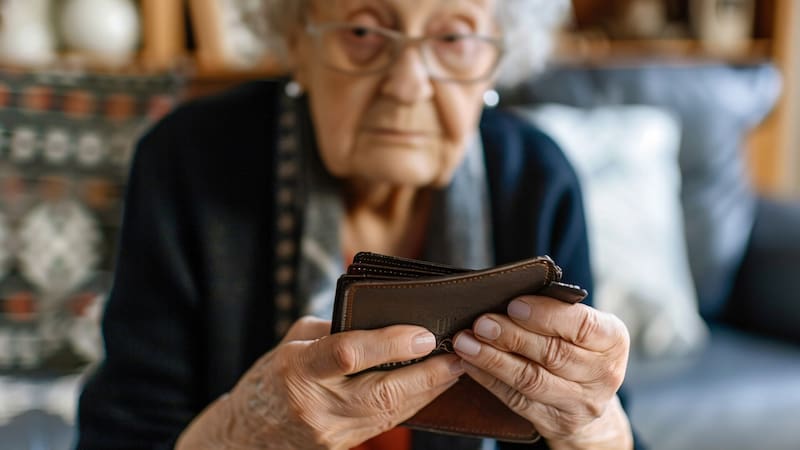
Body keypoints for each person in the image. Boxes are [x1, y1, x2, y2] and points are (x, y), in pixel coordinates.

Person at [77, 0, 636, 449]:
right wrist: (242, 434)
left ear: (494, 59)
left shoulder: (537, 179)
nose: (408, 83)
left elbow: (603, 425)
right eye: (365, 32)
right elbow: (123, 431)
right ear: (298, 40)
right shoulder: (188, 161)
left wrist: (590, 427)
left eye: (454, 38)